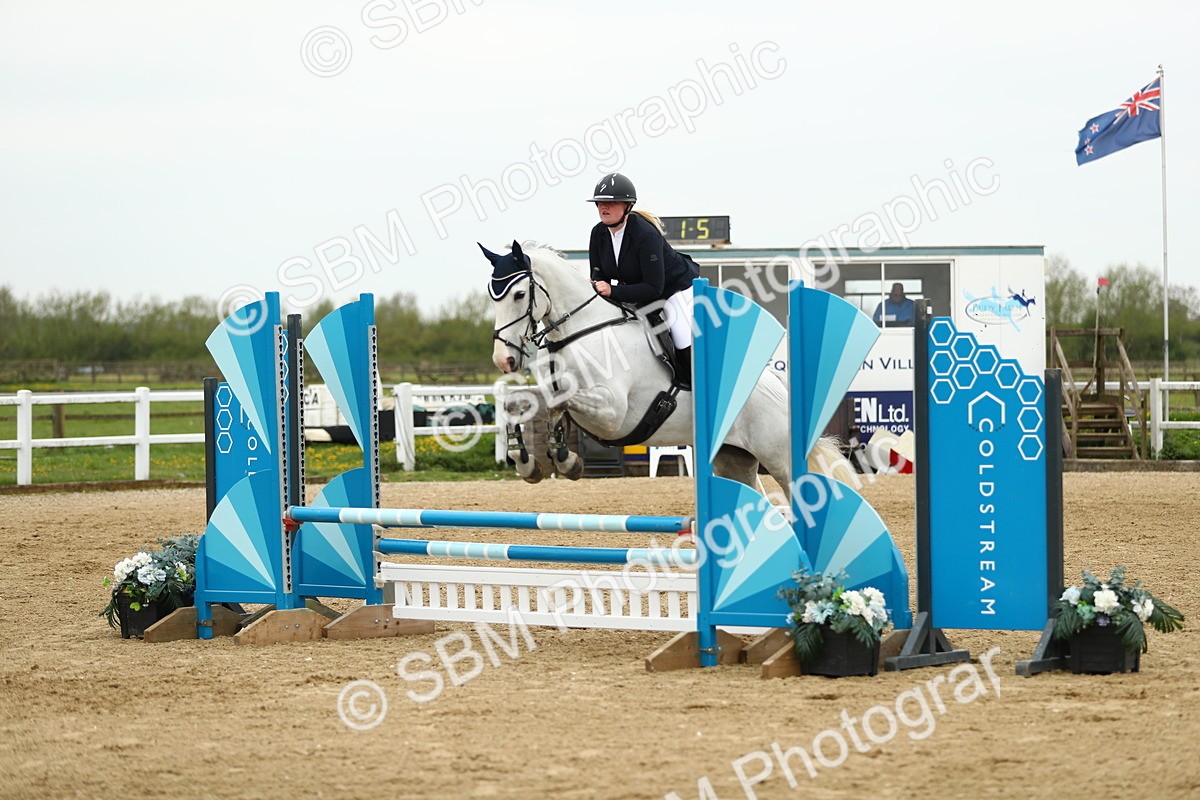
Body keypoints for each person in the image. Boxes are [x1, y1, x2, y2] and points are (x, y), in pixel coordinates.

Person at [587, 172, 699, 387]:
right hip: (638, 289)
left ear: (628, 206)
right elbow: (599, 276)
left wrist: (613, 291)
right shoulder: (598, 233)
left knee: (681, 332)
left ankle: (692, 387)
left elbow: (653, 289)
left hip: (675, 288)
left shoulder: (645, 234)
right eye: (600, 203)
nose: (604, 207)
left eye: (611, 203)